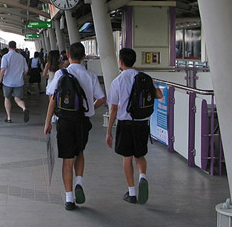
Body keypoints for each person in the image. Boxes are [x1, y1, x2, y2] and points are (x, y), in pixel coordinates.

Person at [44, 42, 106, 211]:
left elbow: (53, 99)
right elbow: (102, 99)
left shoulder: (60, 73)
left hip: (64, 121)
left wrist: (47, 122)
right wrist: (89, 107)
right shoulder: (90, 76)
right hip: (82, 122)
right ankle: (79, 181)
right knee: (79, 152)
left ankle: (69, 199)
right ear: (84, 56)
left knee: (67, 158)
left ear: (68, 55)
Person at [106, 48, 164, 205]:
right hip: (142, 124)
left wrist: (109, 130)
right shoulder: (145, 78)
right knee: (140, 155)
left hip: (125, 123)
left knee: (127, 157)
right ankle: (142, 177)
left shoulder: (117, 81)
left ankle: (131, 193)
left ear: (121, 62)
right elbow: (159, 95)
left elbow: (113, 108)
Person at [0, 41, 29, 123]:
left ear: (8, 47)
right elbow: (26, 70)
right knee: (17, 99)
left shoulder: (5, 57)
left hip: (8, 82)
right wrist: (21, 75)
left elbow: (3, 69)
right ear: (16, 47)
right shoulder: (21, 57)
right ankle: (24, 108)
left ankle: (9, 118)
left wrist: (0, 79)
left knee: (7, 98)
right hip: (19, 82)